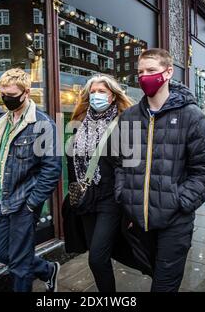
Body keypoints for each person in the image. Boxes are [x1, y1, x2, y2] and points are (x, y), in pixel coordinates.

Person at [115, 48, 205, 292]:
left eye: (151, 70)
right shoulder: (129, 117)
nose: (144, 77)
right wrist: (124, 194)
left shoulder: (190, 115)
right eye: (140, 72)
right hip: (138, 221)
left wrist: (179, 202)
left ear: (168, 72)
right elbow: (121, 162)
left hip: (174, 222)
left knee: (164, 286)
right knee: (153, 273)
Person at [0, 68, 62, 292]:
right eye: (3, 94)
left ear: (26, 92)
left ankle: (38, 274)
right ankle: (48, 270)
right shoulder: (2, 121)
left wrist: (31, 204)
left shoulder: (44, 124)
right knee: (4, 254)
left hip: (23, 203)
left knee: (19, 266)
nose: (6, 99)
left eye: (11, 95)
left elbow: (52, 169)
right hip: (0, 200)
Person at [62, 74, 133, 292]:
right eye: (92, 92)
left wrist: (130, 207)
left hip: (110, 200)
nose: (96, 96)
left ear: (113, 96)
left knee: (96, 258)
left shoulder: (124, 124)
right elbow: (71, 162)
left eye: (101, 91)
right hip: (86, 200)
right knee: (99, 257)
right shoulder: (79, 124)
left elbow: (131, 168)